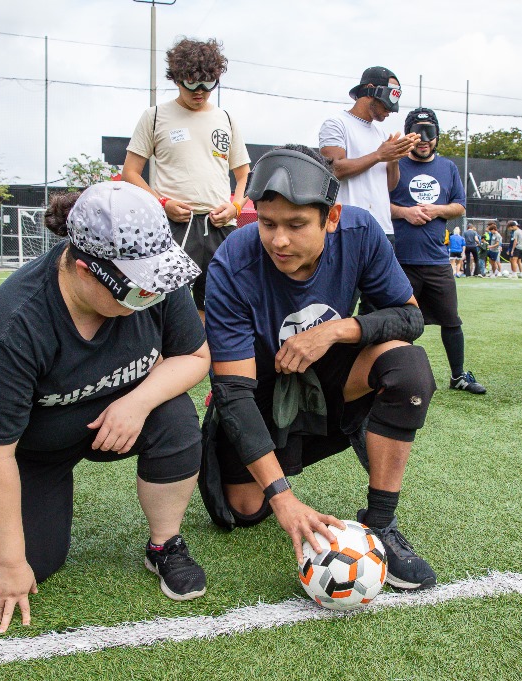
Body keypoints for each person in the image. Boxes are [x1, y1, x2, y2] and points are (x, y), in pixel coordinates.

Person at [0, 182, 212, 634]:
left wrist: (137, 402)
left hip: (122, 416)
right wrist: (11, 563)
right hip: (35, 448)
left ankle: (164, 545)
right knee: (36, 564)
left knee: (175, 414)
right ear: (85, 269)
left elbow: (194, 358)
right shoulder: (8, 327)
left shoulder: (153, 275)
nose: (151, 295)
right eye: (137, 291)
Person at [201, 145, 438, 591]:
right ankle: (277, 457)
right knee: (246, 510)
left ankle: (381, 524)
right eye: (268, 224)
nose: (279, 240)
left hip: (330, 378)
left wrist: (334, 331)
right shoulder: (233, 260)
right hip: (260, 391)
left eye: (296, 225)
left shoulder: (361, 232)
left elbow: (410, 318)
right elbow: (232, 389)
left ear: (331, 218)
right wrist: (283, 498)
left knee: (407, 369)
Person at [122, 38, 250, 321]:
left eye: (208, 84)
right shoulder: (155, 116)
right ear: (177, 79)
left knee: (218, 304)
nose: (200, 92)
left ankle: (208, 362)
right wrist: (162, 203)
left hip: (220, 227)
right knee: (163, 303)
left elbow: (244, 176)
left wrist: (236, 207)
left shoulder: (225, 118)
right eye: (192, 84)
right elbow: (130, 172)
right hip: (174, 226)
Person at [389, 107, 486, 394]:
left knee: (451, 321)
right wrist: (404, 213)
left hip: (436, 260)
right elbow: (379, 202)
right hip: (400, 260)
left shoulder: (448, 168)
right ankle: (392, 378)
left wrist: (438, 210)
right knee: (398, 323)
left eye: (429, 134)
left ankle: (458, 376)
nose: (424, 141)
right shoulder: (395, 165)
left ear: (437, 137)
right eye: (418, 134)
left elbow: (459, 205)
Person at [319, 66, 419, 244]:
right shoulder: (337, 124)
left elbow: (389, 186)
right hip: (349, 227)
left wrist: (394, 158)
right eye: (387, 104)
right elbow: (333, 169)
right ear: (371, 90)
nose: (391, 111)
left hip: (383, 229)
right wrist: (379, 155)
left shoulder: (381, 134)